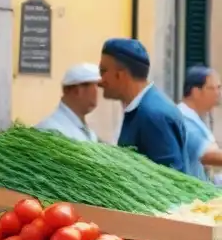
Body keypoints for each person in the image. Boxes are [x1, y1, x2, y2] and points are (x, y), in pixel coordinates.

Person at [99, 37, 188, 173]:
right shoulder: (142, 108)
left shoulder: (153, 116)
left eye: (103, 71)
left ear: (120, 75)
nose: (100, 81)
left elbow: (170, 182)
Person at [35, 63, 101, 143]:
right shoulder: (51, 130)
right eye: (96, 85)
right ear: (77, 90)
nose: (98, 92)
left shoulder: (89, 132)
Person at [179, 65, 222, 184]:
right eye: (213, 88)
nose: (218, 93)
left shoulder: (195, 117)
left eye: (219, 88)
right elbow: (209, 155)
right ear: (196, 92)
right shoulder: (183, 119)